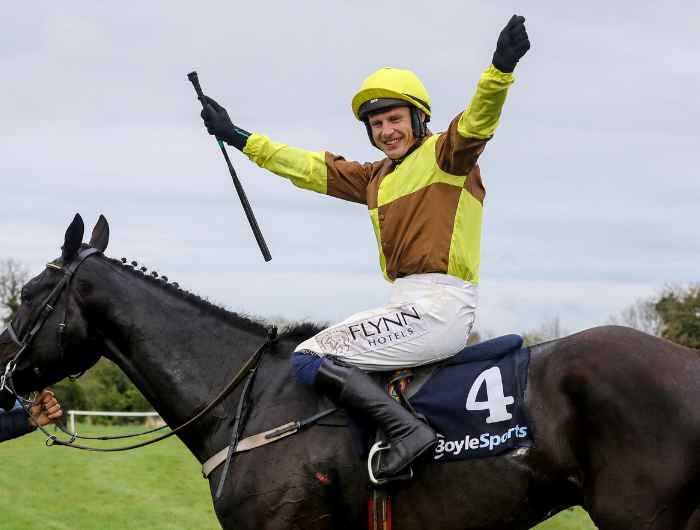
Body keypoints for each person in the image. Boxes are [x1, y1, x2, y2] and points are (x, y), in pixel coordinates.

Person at [201, 15, 530, 479]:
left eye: (394, 120)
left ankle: (411, 435)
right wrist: (238, 137)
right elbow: (310, 168)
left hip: (440, 306)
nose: (386, 132)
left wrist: (499, 70)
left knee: (310, 355)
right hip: (406, 303)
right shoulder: (375, 178)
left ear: (419, 118)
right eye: (376, 125)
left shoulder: (446, 156)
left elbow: (478, 119)